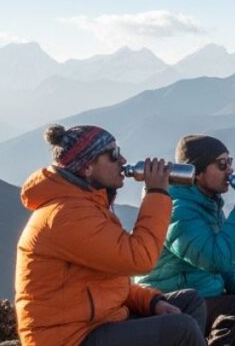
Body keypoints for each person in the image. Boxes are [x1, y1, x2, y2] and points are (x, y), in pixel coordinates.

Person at [15, 124, 207, 346]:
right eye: (113, 155)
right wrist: (157, 193)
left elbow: (110, 285)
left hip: (96, 322)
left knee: (189, 302)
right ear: (87, 167)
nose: (123, 160)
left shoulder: (87, 205)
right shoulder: (67, 216)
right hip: (70, 338)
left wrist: (153, 303)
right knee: (180, 329)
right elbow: (140, 258)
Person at [136, 135, 235, 344]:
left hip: (206, 289)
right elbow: (215, 259)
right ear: (197, 173)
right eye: (222, 164)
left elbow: (225, 266)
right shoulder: (177, 208)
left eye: (230, 162)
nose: (230, 171)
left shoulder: (208, 202)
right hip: (174, 298)